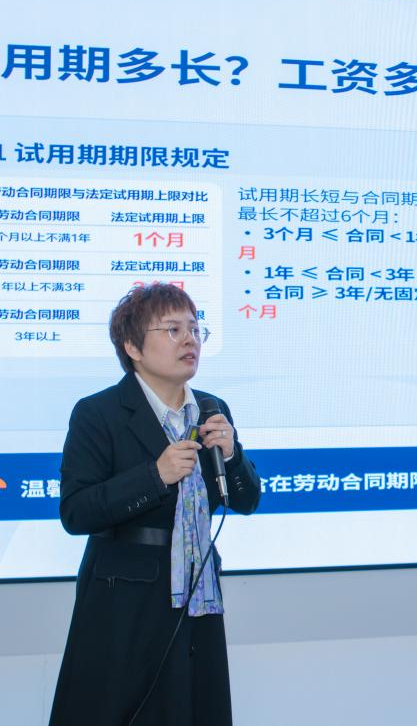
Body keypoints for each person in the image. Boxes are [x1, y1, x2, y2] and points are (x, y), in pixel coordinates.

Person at [49, 283, 260, 726]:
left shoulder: (212, 409)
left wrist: (232, 456)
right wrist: (155, 476)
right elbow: (76, 511)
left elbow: (246, 500)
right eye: (172, 329)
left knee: (195, 708)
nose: (190, 340)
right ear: (132, 347)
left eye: (195, 329)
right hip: (124, 599)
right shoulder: (98, 413)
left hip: (198, 593)